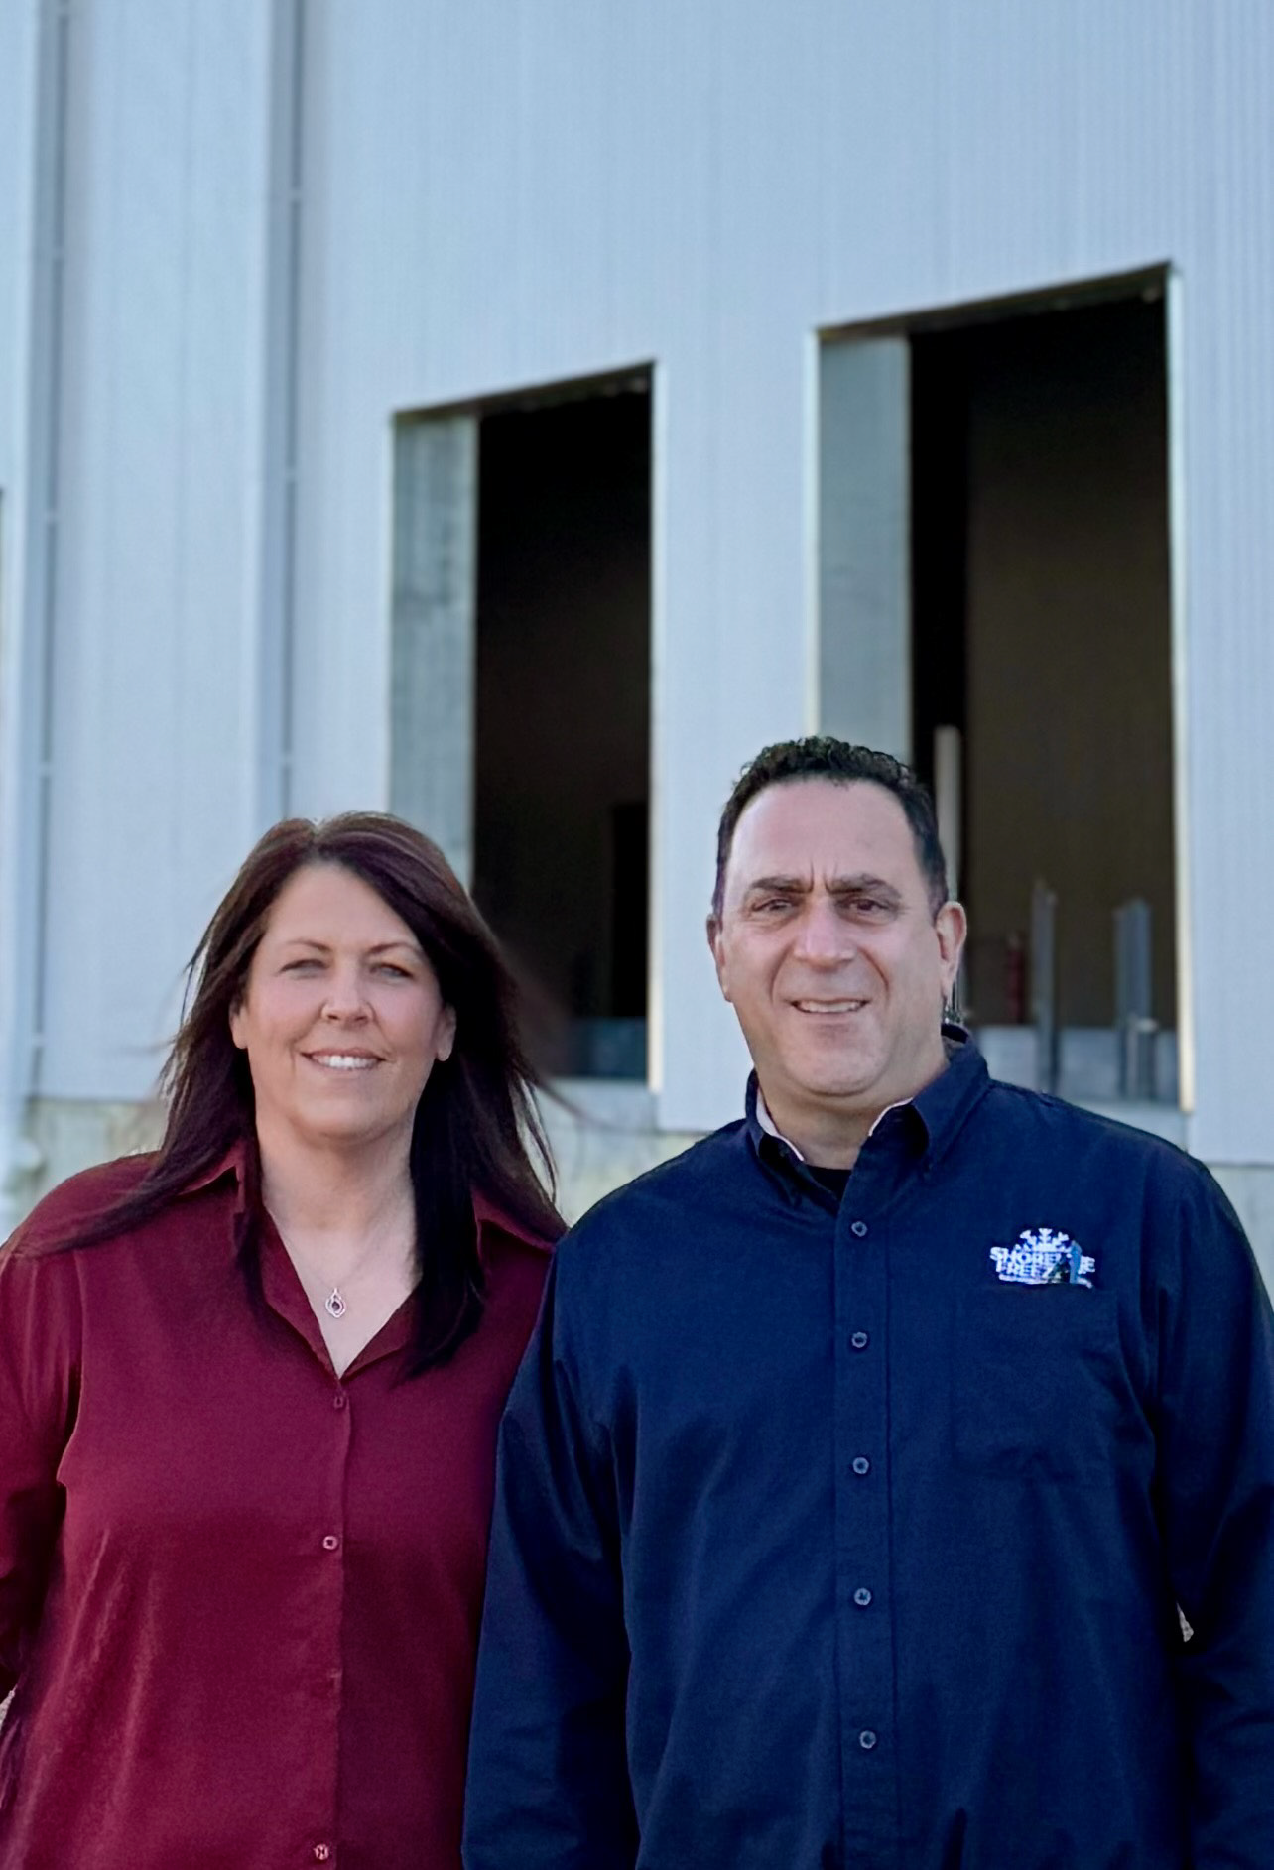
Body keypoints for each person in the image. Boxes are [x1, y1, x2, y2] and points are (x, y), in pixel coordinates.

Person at [463, 737, 1274, 1869]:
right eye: (775, 902)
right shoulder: (617, 1271)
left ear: (940, 941)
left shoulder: (1142, 1221)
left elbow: (1258, 1608)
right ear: (718, 950)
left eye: (864, 900)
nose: (821, 943)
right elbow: (541, 1692)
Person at [0, 812, 562, 1870]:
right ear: (242, 1012)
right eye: (303, 964)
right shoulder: (78, 1265)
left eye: (392, 969)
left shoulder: (548, 1305)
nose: (344, 1002)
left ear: (446, 1023)